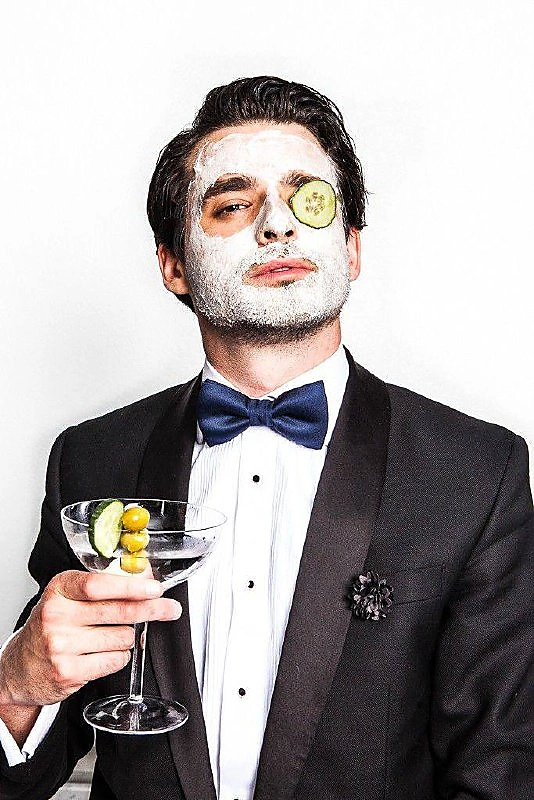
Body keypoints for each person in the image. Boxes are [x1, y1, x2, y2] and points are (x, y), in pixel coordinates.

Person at [0, 76, 532, 800]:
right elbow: (30, 766)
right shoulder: (91, 460)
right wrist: (18, 684)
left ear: (351, 248)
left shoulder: (476, 474)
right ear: (174, 265)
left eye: (307, 198)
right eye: (233, 204)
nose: (278, 224)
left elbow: (501, 771)